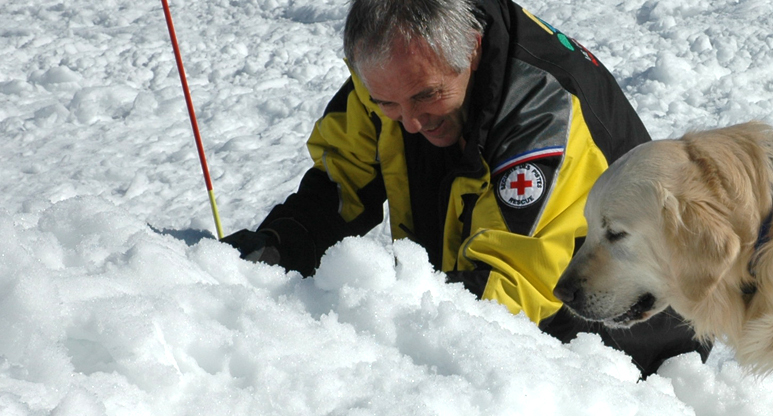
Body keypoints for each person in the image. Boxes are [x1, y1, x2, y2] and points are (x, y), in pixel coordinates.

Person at [220, 0, 708, 376]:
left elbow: (508, 292)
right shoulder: (398, 67)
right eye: (386, 103)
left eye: (427, 96)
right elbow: (340, 184)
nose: (409, 121)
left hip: (616, 347)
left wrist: (364, 307)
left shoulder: (544, 113)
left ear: (472, 47)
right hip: (482, 314)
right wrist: (281, 243)